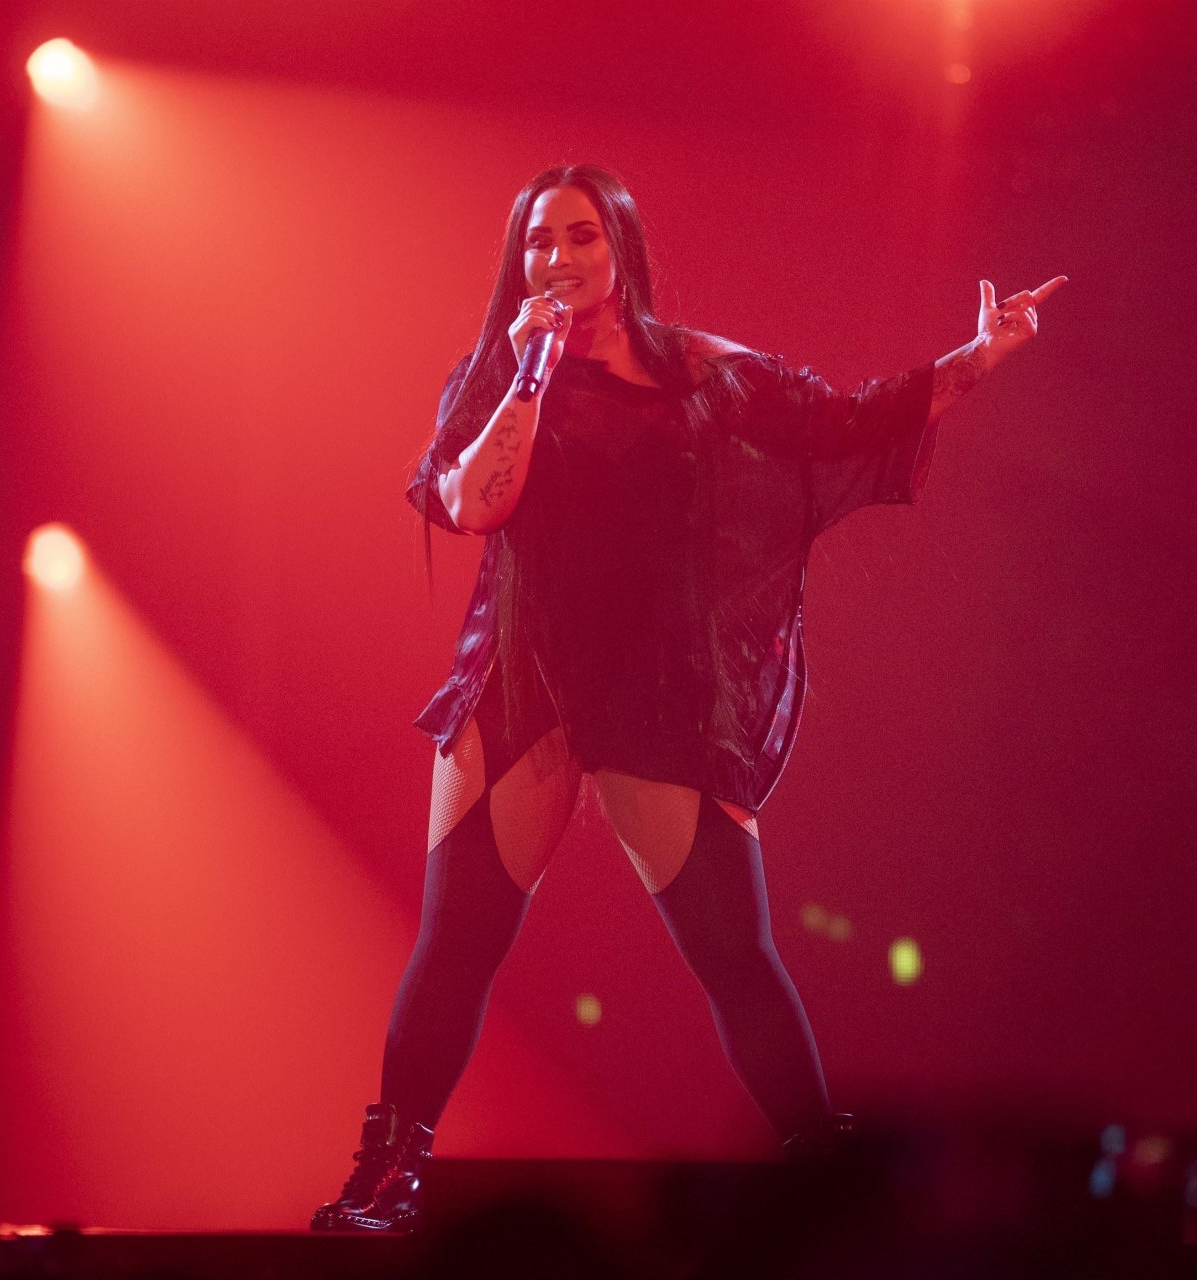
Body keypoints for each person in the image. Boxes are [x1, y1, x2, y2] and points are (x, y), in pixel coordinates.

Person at [311, 164, 1065, 1233]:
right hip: (521, 673)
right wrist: (527, 372)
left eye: (579, 236)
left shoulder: (703, 373)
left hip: (657, 684)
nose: (557, 258)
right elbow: (472, 502)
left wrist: (977, 357)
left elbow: (844, 422)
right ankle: (388, 1173)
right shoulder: (493, 374)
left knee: (733, 953)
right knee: (457, 942)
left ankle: (829, 1186)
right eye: (538, 241)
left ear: (619, 250)